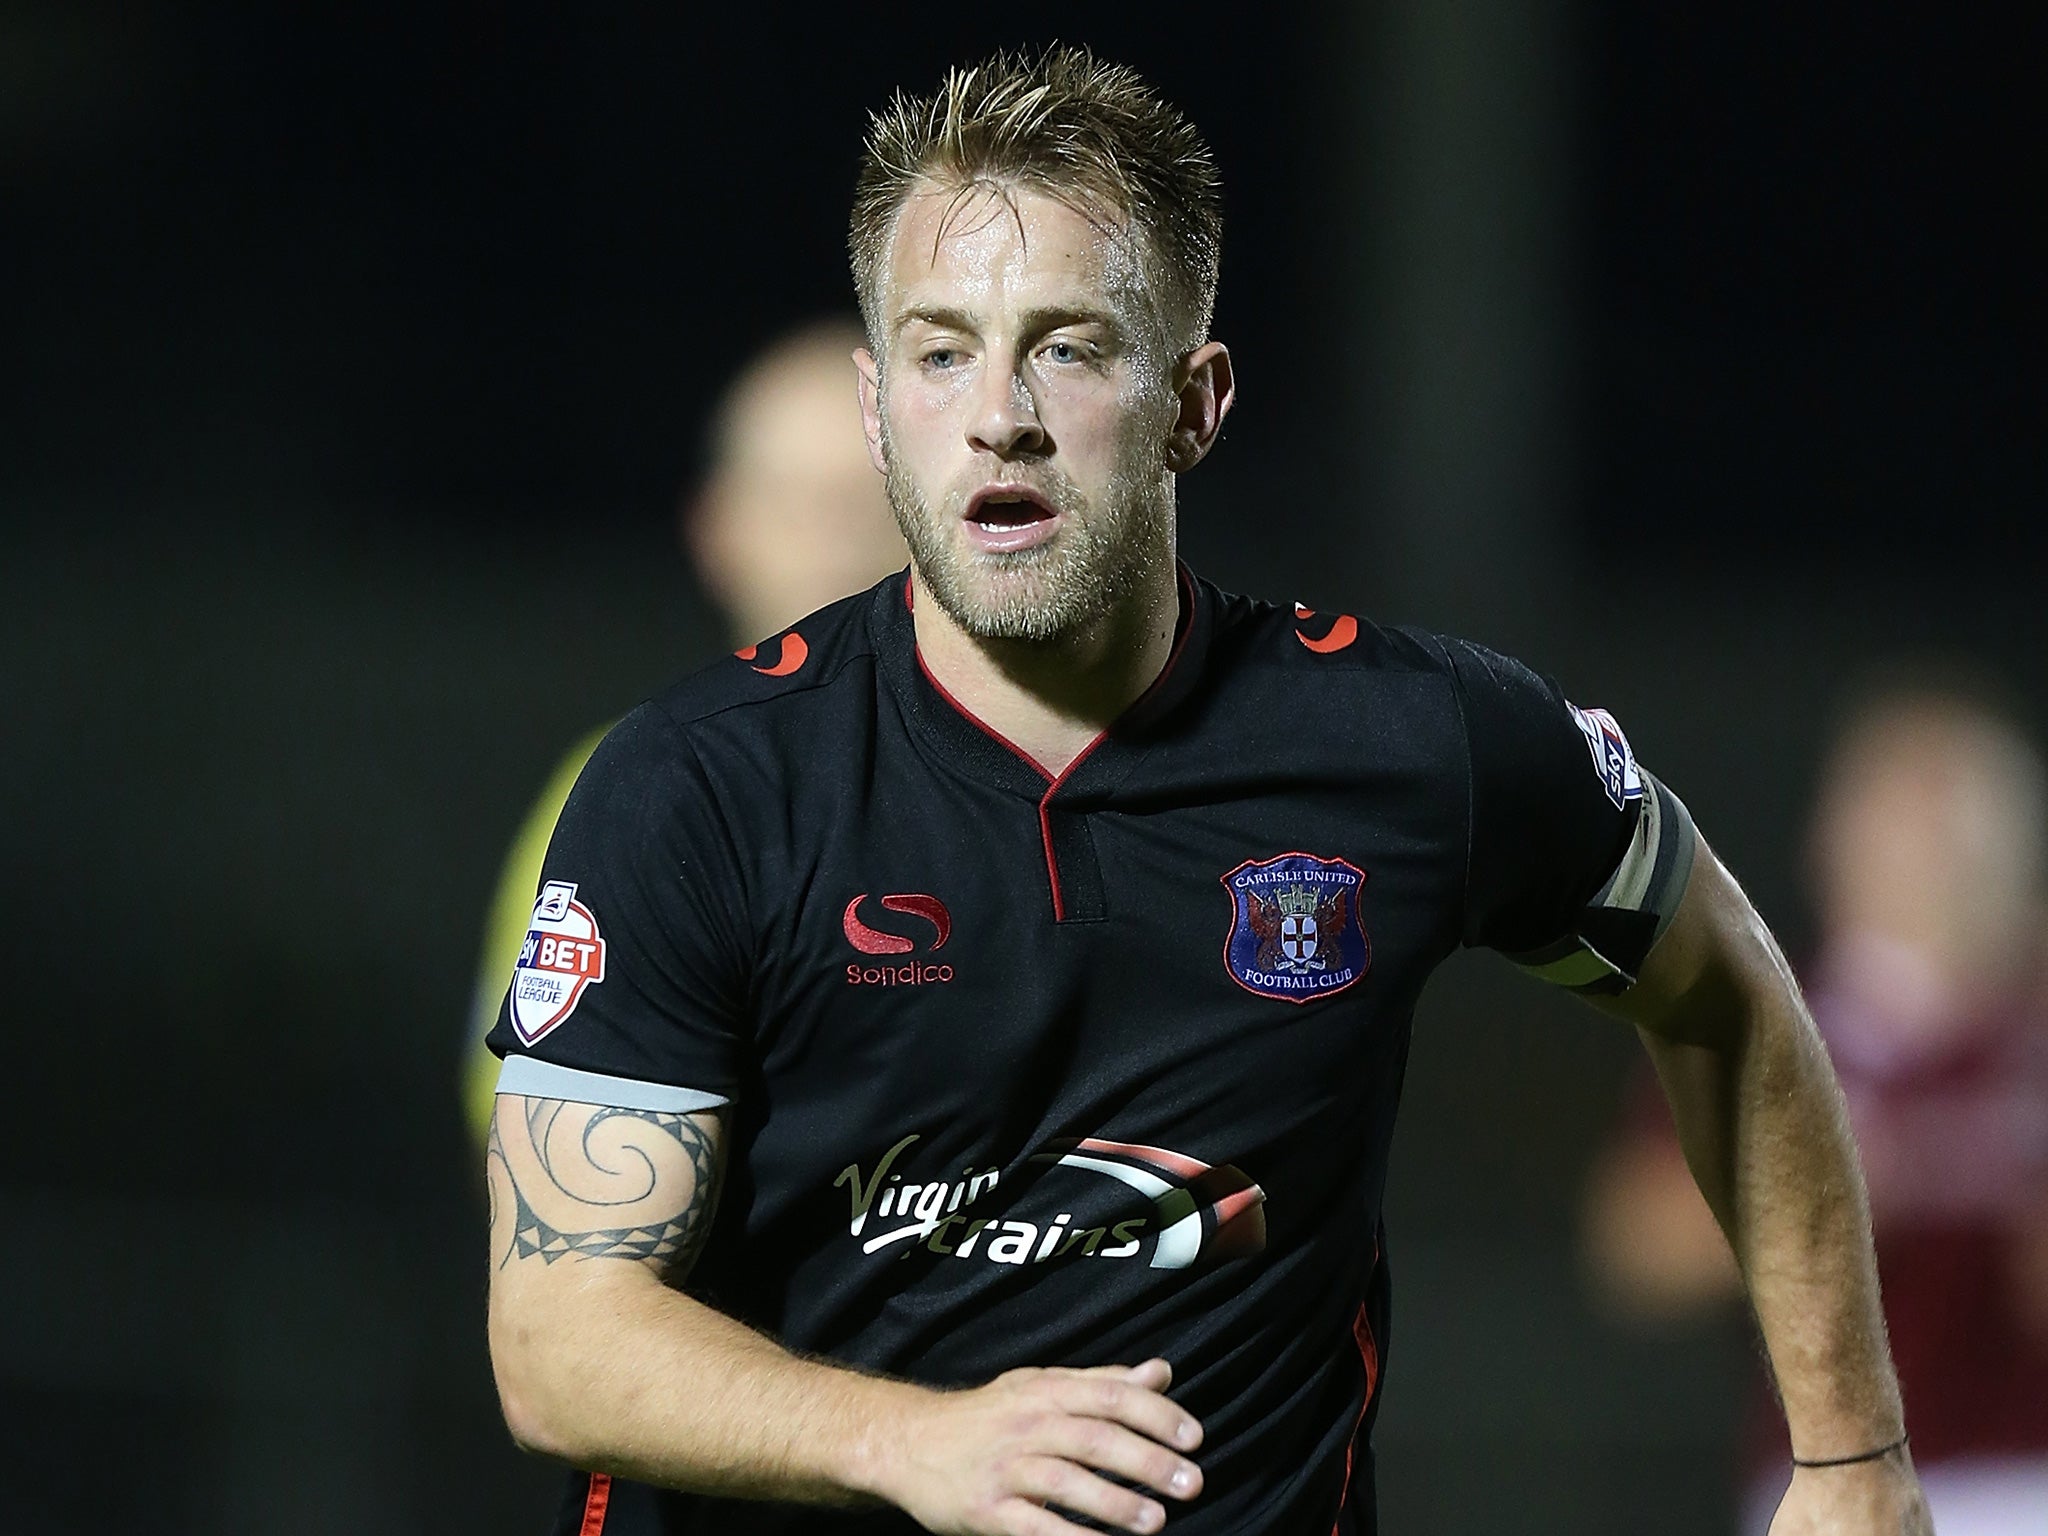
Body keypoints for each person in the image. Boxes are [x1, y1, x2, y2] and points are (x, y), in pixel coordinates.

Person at [481, 46, 1931, 1536]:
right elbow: (555, 1340)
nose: (999, 413)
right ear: (875, 402)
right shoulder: (695, 787)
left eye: (1068, 346)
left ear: (1195, 399)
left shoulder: (1417, 739)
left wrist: (1852, 1462)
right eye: (940, 350)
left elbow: (1728, 1000)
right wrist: (914, 1445)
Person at [1585, 678, 2048, 1534]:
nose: (1926, 851)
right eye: (1900, 813)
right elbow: (1636, 1245)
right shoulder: (1771, 1017)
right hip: (1833, 1479)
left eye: (1950, 818)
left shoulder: (2029, 1032)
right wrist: (1826, 1189)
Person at [461, 319, 907, 1140]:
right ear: (717, 530)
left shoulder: (1053, 772)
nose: (837, 535)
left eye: (875, 493)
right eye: (796, 501)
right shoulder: (621, 785)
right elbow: (526, 1126)